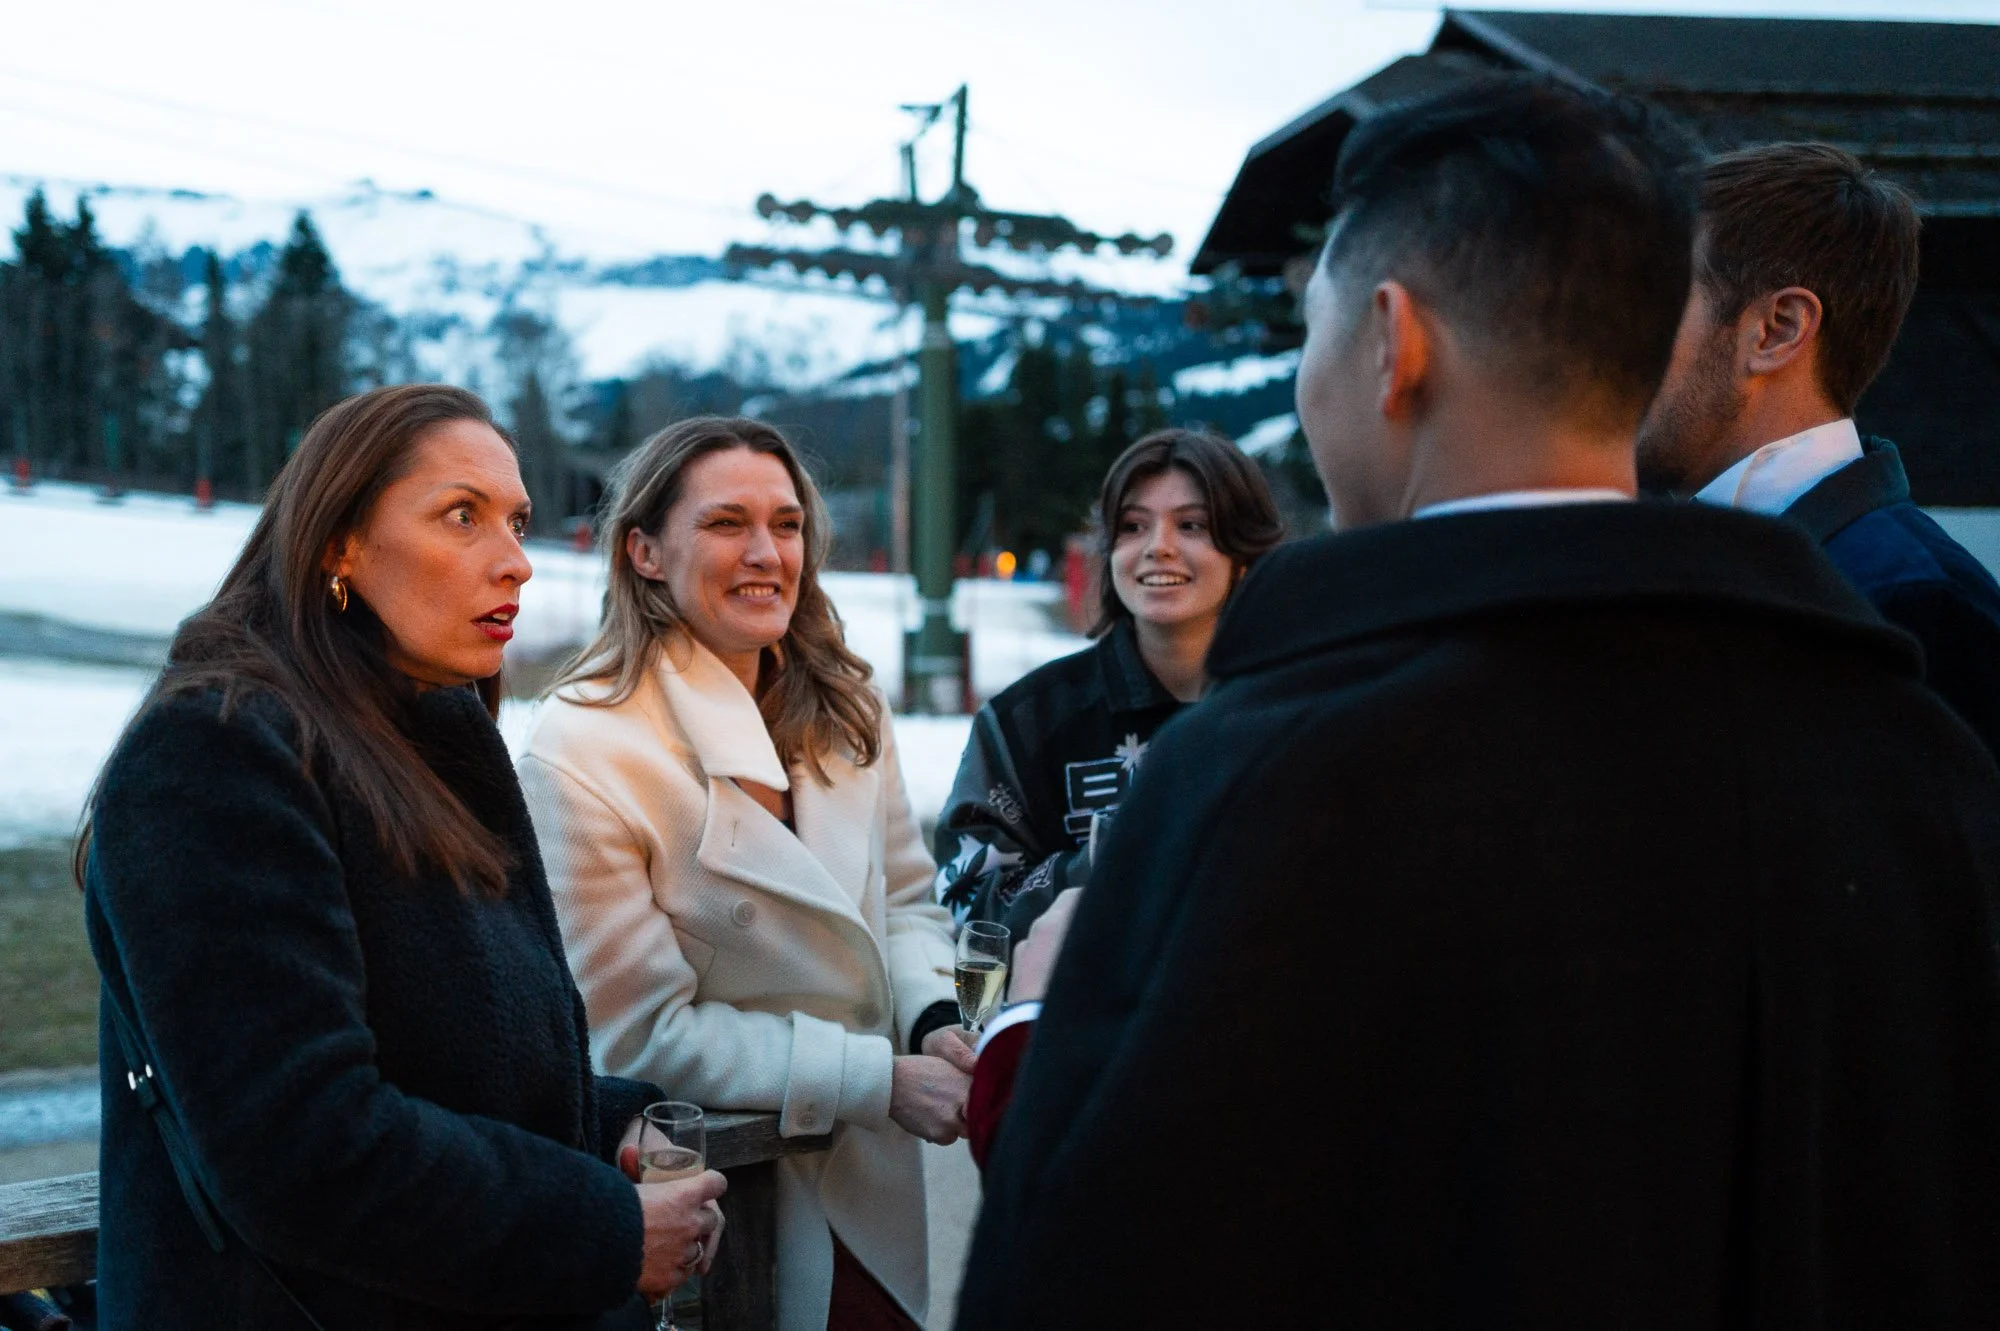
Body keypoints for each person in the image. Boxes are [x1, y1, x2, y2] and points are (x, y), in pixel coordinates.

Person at [956, 77, 2000, 1329]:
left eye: (1310, 338)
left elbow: (1097, 1269)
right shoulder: (1902, 744)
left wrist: (1032, 1014)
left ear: (1393, 344)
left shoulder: (1264, 768)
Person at [80, 385, 725, 1331]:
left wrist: (609, 1116)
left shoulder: (423, 734)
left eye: (517, 522)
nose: (514, 563)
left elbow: (452, 1051)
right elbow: (303, 1146)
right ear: (338, 541)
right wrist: (603, 1230)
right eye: (460, 517)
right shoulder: (218, 750)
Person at [519, 416, 968, 1331]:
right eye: (727, 523)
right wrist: (877, 1078)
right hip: (727, 1214)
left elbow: (910, 903)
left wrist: (932, 1018)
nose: (767, 552)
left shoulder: (848, 703)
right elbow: (634, 1038)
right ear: (644, 550)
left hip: (873, 1188)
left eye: (788, 523)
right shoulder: (585, 747)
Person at [1637, 143, 2000, 759]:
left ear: (1776, 330)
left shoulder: (1914, 602)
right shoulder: (1683, 561)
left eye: (1647, 305)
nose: (1602, 349)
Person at [932, 429, 1281, 934]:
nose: (1159, 547)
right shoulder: (1023, 723)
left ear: (1243, 555)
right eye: (1133, 527)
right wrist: (1121, 846)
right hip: (1081, 1009)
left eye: (1192, 525)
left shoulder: (1299, 704)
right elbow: (967, 908)